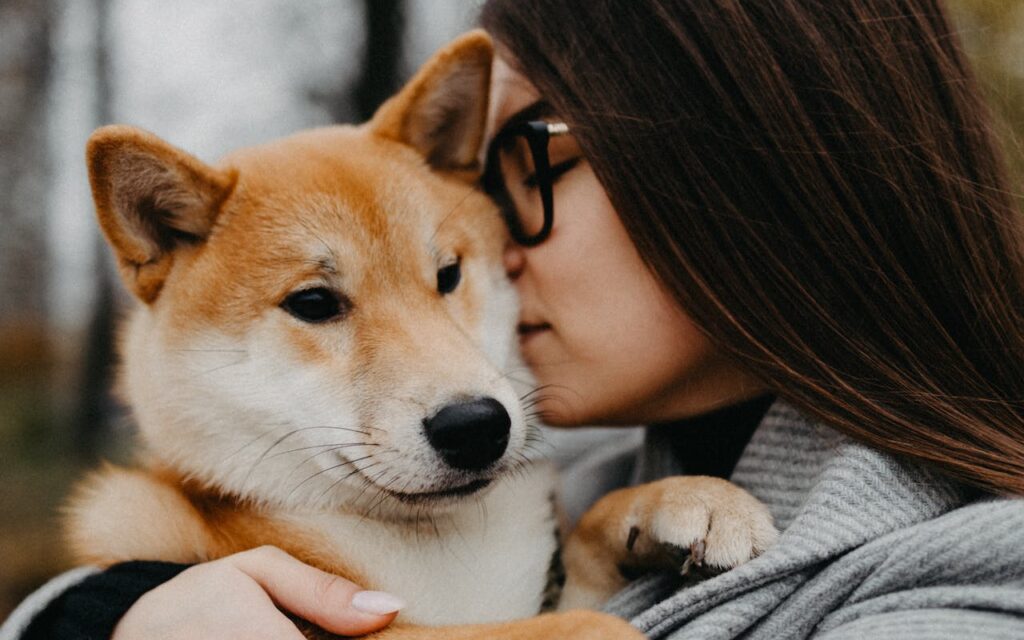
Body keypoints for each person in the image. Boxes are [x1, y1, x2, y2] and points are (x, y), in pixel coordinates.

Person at [5, 0, 1024, 637]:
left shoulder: (970, 589)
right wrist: (116, 612)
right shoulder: (588, 476)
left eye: (527, 160)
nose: (493, 242)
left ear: (737, 154)